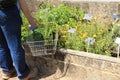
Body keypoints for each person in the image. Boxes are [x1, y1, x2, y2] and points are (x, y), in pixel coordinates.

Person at [0, 0, 38, 80]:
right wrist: (29, 18)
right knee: (15, 46)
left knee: (2, 45)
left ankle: (7, 71)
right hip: (8, 13)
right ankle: (23, 74)